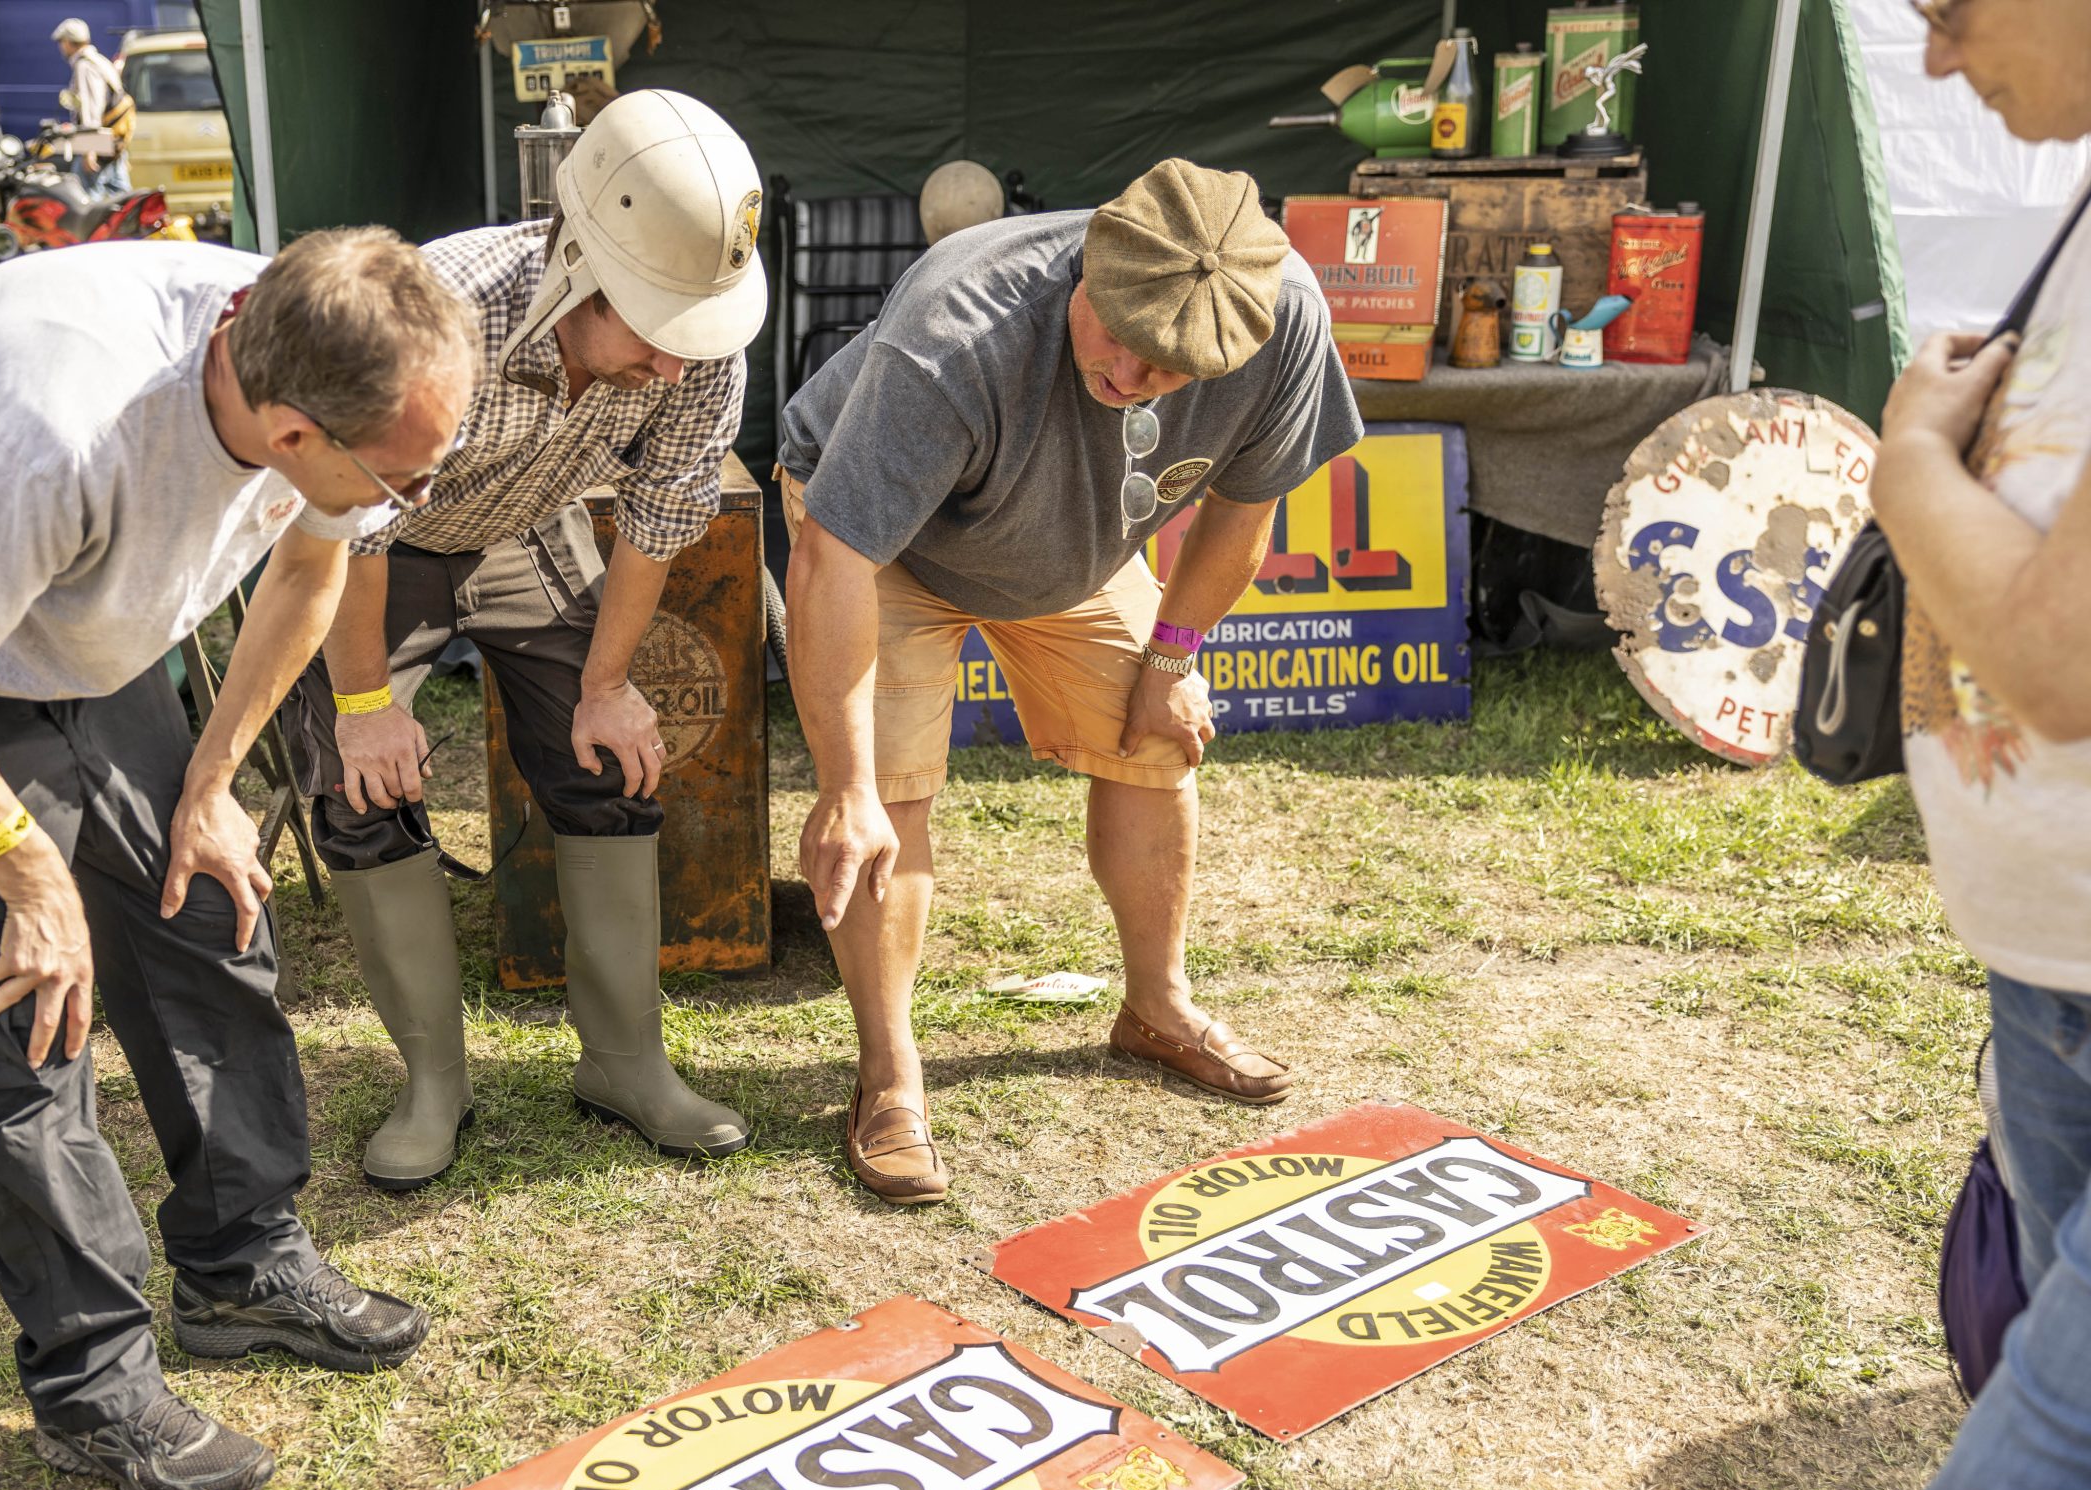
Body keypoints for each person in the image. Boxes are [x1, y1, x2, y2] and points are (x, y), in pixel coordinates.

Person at [0, 230, 475, 1490]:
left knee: (208, 907)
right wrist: (31, 878)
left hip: (82, 616)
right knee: (25, 1003)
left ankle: (239, 1264)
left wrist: (208, 787)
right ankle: (93, 1390)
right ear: (296, 431)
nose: (411, 499)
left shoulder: (328, 332)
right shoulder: (59, 427)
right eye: (404, 480)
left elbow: (310, 567)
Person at [776, 159, 1361, 1204]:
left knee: (1157, 739)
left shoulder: (1281, 322)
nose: (1134, 382)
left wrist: (1173, 658)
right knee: (888, 796)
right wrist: (845, 783)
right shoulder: (958, 329)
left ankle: (1155, 1007)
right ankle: (888, 1073)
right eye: (1120, 344)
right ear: (1088, 262)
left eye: (1171, 372)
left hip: (1068, 546)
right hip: (883, 546)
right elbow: (834, 556)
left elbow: (1241, 508)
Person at [279, 88, 762, 1192]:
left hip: (523, 523)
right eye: (657, 332)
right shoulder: (436, 311)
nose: (679, 366)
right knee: (361, 788)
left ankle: (626, 1064)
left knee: (610, 758)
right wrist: (363, 706)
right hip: (374, 543)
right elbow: (344, 517)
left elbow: (657, 517)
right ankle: (434, 1084)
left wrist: (607, 685)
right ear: (577, 271)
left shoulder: (701, 342)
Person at [1864, 2, 2091, 1490]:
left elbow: (2056, 652)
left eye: (1953, 9)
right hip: (2051, 970)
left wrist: (1905, 463)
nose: (1937, 60)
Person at [51, 17, 131, 199]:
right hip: (113, 143)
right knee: (122, 198)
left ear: (69, 42)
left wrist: (90, 149)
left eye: (61, 42)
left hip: (98, 143)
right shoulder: (100, 61)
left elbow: (91, 108)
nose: (61, 47)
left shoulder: (85, 66)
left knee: (85, 202)